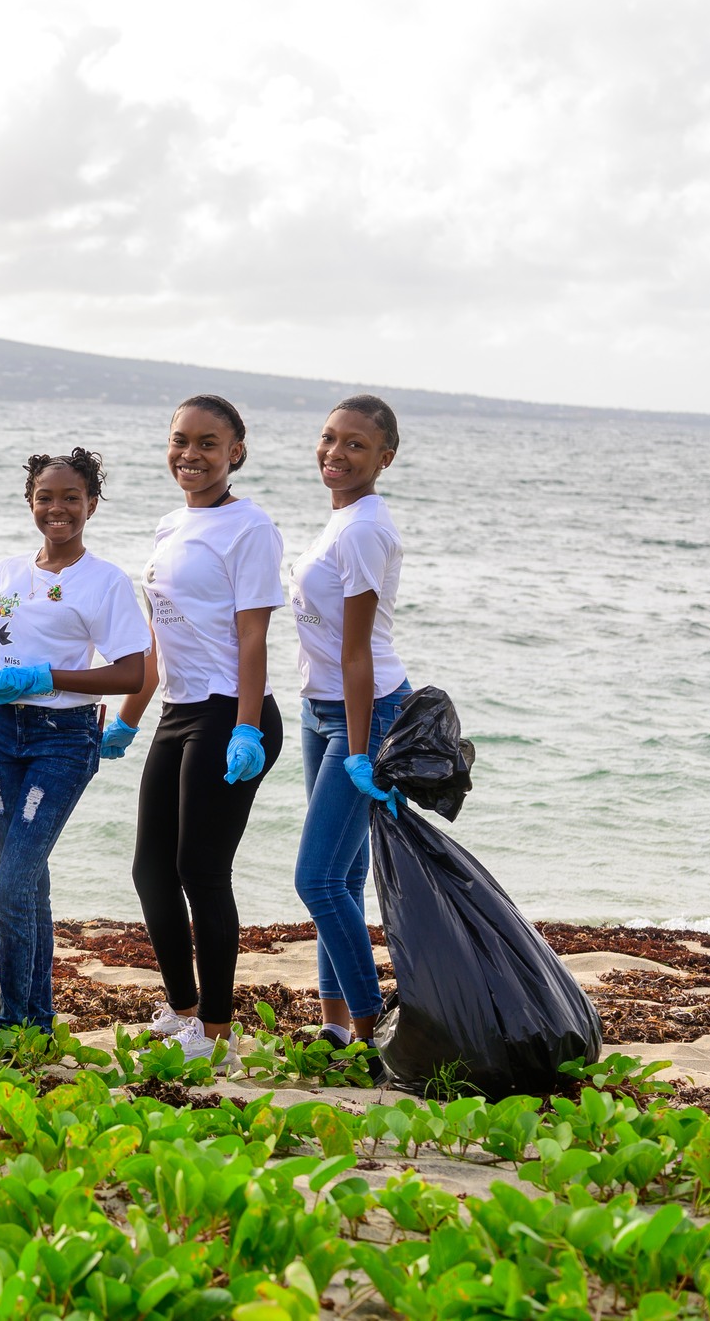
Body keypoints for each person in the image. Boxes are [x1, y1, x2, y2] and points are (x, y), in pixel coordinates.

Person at [112, 394, 286, 1065]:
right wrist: (129, 718)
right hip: (180, 711)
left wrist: (247, 729)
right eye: (181, 440)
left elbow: (253, 639)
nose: (191, 454)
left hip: (230, 711)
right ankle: (182, 1009)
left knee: (201, 871)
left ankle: (217, 1034)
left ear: (235, 451)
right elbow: (160, 642)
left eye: (208, 443)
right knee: (151, 868)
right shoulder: (167, 527)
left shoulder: (251, 528)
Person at [0, 449, 149, 1029]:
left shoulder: (104, 581)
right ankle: (37, 1018)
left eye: (72, 498)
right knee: (28, 879)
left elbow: (132, 672)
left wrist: (49, 677)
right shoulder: (3, 575)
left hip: (65, 738)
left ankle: (14, 1020)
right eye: (46, 497)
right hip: (5, 733)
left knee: (11, 882)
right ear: (30, 502)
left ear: (91, 505)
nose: (58, 509)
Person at [289, 394, 411, 1051]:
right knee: (343, 877)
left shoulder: (364, 527)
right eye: (331, 438)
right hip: (322, 708)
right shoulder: (341, 520)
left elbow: (359, 648)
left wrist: (362, 749)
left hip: (362, 712)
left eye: (356, 445)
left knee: (316, 879)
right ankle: (335, 1025)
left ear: (383, 458)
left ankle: (371, 1028)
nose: (336, 452)